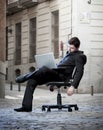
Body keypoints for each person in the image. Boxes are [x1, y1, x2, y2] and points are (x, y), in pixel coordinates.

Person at [14, 37, 87, 112]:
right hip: (55, 74)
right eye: (69, 47)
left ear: (78, 47)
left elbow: (79, 72)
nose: (69, 49)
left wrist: (73, 86)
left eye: (71, 48)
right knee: (32, 81)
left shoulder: (79, 57)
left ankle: (24, 77)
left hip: (62, 77)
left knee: (44, 69)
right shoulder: (68, 54)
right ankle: (26, 107)